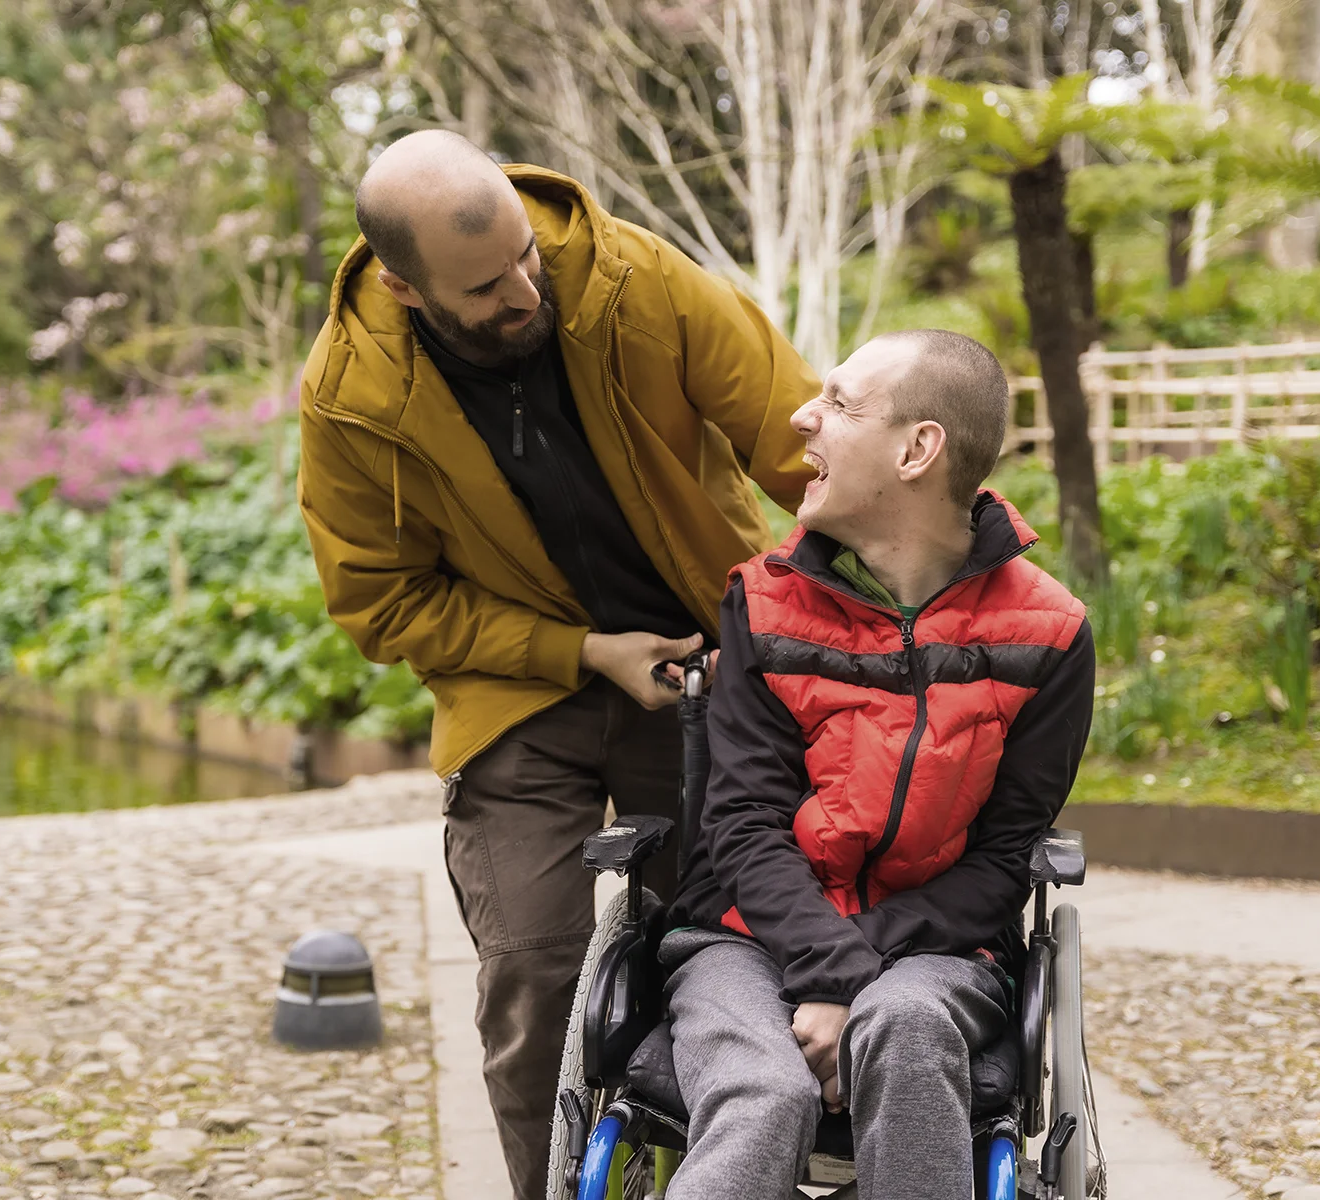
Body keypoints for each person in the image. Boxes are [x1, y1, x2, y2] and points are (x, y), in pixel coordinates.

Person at [295, 129, 818, 1200]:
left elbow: (803, 439)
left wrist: (911, 572)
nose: (525, 292)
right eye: (485, 287)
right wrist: (578, 651)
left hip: (704, 660)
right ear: (403, 286)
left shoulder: (634, 280)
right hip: (517, 693)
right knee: (537, 973)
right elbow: (383, 601)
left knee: (710, 953)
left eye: (527, 258)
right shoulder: (350, 397)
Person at [661, 329, 1097, 1200]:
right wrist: (831, 970)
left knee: (904, 1023)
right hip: (743, 939)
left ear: (917, 449)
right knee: (763, 1089)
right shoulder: (764, 599)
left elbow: (1005, 858)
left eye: (840, 404)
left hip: (937, 950)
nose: (802, 417)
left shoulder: (1048, 634)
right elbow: (742, 823)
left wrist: (855, 972)